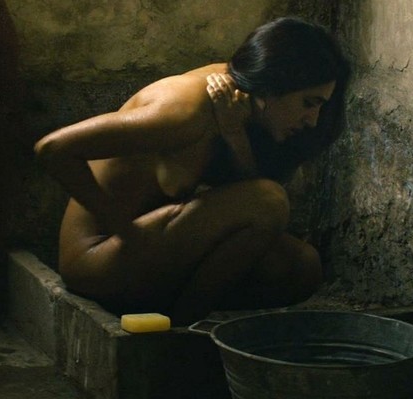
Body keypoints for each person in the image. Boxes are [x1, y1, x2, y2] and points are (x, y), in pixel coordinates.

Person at [34, 17, 350, 324]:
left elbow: (248, 200)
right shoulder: (185, 111)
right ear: (274, 86)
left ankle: (174, 315)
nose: (313, 120)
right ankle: (181, 328)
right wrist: (127, 232)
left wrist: (235, 137)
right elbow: (54, 148)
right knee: (269, 200)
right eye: (309, 103)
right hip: (98, 260)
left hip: (152, 247)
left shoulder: (237, 104)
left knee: (301, 267)